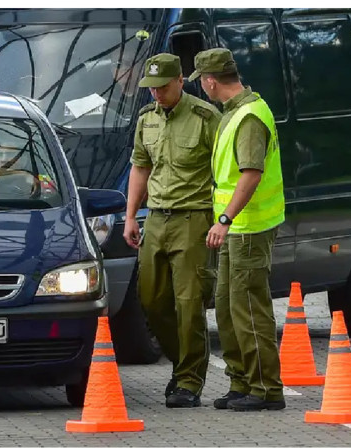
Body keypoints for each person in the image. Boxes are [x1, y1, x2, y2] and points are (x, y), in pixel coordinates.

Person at [123, 53, 222, 408]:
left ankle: (189, 382)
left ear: (181, 80)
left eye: (163, 87)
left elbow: (226, 170)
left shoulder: (205, 117)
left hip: (193, 218)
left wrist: (221, 219)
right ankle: (182, 365)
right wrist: (131, 215)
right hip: (156, 219)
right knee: (151, 299)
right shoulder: (146, 119)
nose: (156, 95)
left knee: (189, 303)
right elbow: (140, 166)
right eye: (151, 89)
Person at [193, 48, 286, 411]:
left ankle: (265, 388)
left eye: (202, 81)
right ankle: (243, 381)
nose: (202, 87)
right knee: (228, 306)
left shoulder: (248, 117)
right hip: (237, 228)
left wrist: (225, 219)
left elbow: (251, 174)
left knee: (248, 307)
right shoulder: (236, 112)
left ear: (210, 81)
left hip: (248, 227)